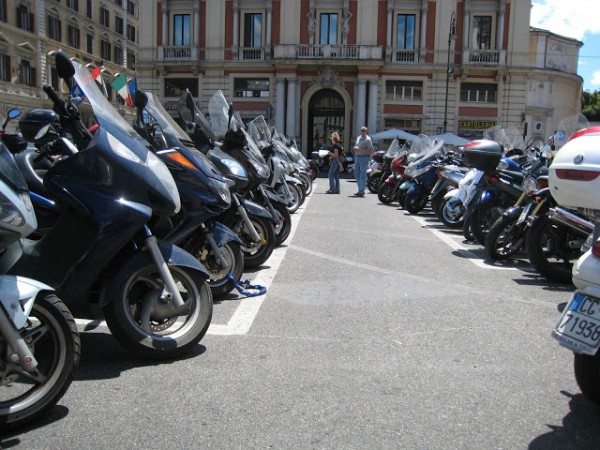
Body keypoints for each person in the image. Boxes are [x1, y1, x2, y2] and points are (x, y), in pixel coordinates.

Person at [352, 126, 374, 197]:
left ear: (366, 132)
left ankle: (362, 191)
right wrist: (355, 147)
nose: (362, 132)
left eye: (364, 131)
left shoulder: (368, 139)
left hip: (364, 157)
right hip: (358, 157)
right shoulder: (359, 138)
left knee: (363, 175)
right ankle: (360, 189)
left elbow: (371, 150)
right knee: (356, 173)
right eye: (361, 130)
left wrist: (361, 150)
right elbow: (356, 145)